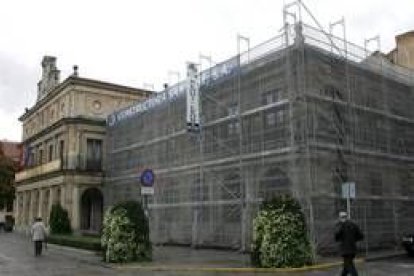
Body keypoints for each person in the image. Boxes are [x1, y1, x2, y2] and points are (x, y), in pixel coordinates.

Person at [335, 211, 364, 276]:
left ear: (340, 218)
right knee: (346, 266)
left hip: (345, 250)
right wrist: (353, 240)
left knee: (349, 266)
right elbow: (361, 236)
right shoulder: (354, 225)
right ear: (347, 217)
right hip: (353, 249)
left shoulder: (340, 225)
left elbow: (336, 237)